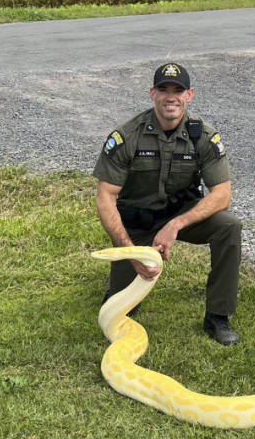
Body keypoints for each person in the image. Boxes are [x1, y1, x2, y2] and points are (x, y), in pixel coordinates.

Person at [92, 62, 242, 346]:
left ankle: (217, 318)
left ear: (190, 95)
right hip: (136, 224)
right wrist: (129, 252)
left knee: (229, 227)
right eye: (163, 89)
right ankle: (118, 280)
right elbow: (105, 197)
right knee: (119, 311)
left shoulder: (204, 136)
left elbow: (222, 195)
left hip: (180, 216)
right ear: (152, 94)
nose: (170, 96)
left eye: (178, 90)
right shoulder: (126, 137)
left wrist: (175, 225)